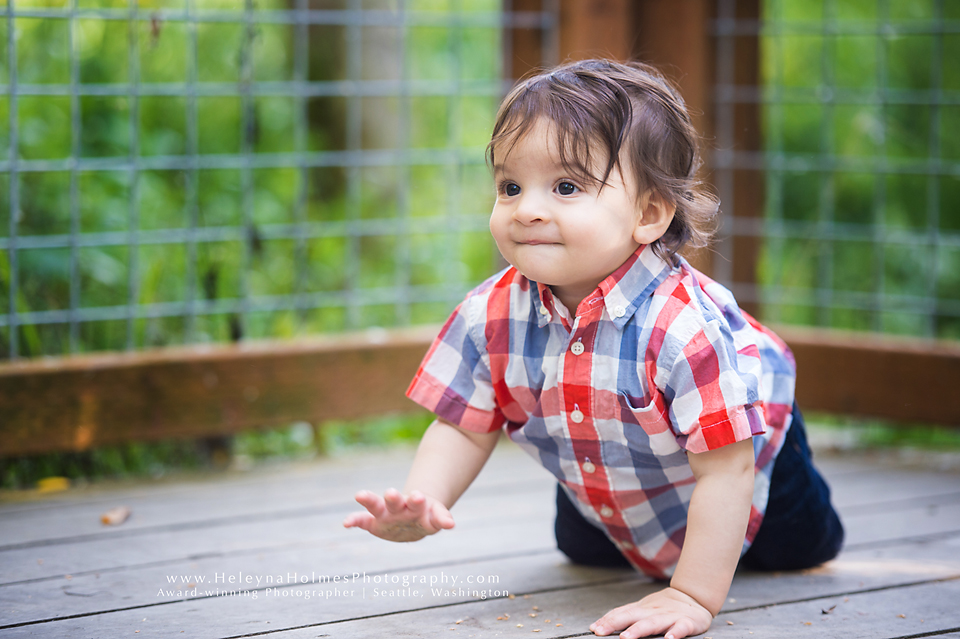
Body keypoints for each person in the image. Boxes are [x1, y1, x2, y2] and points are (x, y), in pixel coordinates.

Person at [343, 59, 843, 639]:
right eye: (510, 186)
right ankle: (638, 538)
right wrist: (423, 501)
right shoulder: (491, 314)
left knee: (794, 549)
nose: (527, 208)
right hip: (609, 472)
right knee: (583, 550)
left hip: (750, 457)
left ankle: (756, 542)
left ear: (649, 213)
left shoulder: (683, 327)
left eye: (566, 187)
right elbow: (463, 424)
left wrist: (690, 596)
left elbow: (727, 470)